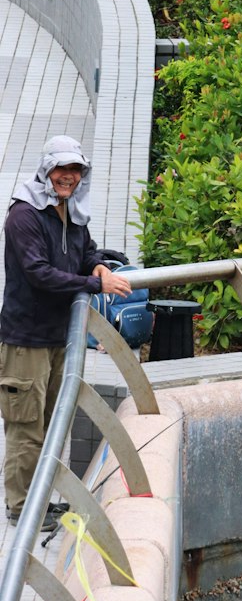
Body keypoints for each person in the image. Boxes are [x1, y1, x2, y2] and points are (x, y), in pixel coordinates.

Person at [0, 136, 132, 524]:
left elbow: (85, 250)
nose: (68, 177)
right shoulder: (23, 216)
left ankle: (40, 499)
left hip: (60, 338)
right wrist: (96, 286)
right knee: (26, 428)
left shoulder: (69, 210)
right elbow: (39, 274)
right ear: (46, 170)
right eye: (61, 169)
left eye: (75, 170)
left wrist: (97, 266)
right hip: (25, 341)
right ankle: (22, 508)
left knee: (55, 424)